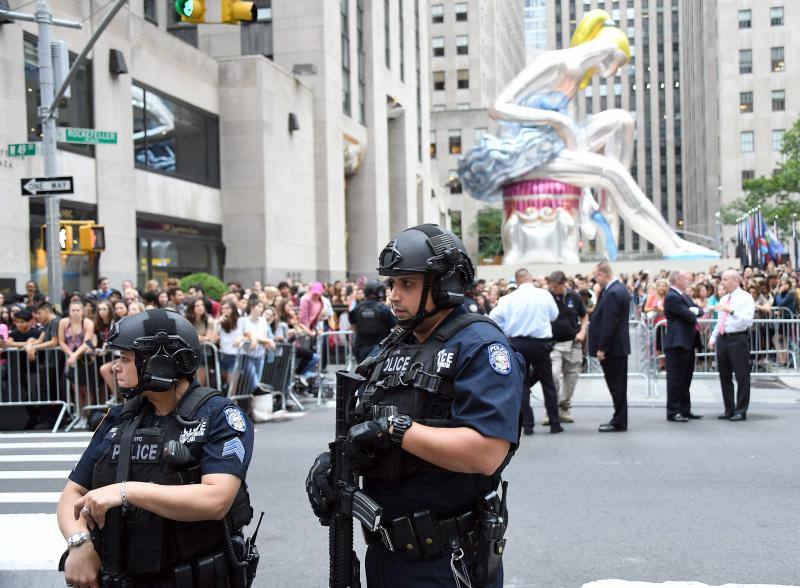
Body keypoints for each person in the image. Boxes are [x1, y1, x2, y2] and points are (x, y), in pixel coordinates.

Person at [306, 224, 524, 588]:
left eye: (407, 283)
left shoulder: (480, 346)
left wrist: (396, 430)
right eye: (392, 283)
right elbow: (365, 423)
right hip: (386, 553)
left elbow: (487, 452)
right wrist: (335, 462)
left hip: (446, 559)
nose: (394, 295)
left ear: (444, 285)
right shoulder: (394, 345)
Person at [57, 309, 256, 588]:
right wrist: (79, 543)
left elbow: (216, 500)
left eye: (126, 358)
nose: (115, 367)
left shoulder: (219, 415)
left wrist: (126, 491)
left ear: (161, 363)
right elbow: (73, 493)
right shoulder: (120, 417)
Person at [490, 268, 562, 435]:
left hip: (518, 343)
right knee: (548, 383)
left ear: (517, 281)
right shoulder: (544, 295)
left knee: (522, 385)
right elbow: (554, 315)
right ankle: (554, 423)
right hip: (540, 343)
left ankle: (527, 425)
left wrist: (506, 329)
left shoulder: (508, 298)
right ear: (530, 279)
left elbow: (494, 318)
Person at [588, 261, 630, 432]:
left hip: (613, 348)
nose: (595, 280)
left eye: (596, 276)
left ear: (603, 274)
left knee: (617, 386)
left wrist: (602, 348)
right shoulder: (615, 289)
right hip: (616, 347)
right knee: (617, 386)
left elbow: (609, 323)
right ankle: (619, 418)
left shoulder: (613, 292)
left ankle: (619, 420)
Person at [709, 270, 756, 421]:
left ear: (736, 280)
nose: (722, 282)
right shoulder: (724, 298)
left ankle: (741, 410)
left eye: (725, 279)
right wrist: (713, 337)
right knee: (724, 375)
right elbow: (720, 321)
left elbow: (747, 321)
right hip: (723, 338)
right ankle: (729, 409)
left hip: (738, 338)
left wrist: (732, 311)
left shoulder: (746, 297)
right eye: (722, 279)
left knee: (742, 376)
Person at [546, 270, 587, 424]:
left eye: (555, 286)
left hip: (573, 343)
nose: (552, 288)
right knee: (553, 375)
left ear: (563, 284)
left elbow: (584, 315)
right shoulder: (546, 296)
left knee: (572, 378)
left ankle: (564, 407)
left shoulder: (574, 296)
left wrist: (582, 331)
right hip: (553, 344)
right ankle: (551, 410)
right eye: (551, 285)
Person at [663, 270, 703, 422]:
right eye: (685, 278)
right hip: (677, 343)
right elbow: (688, 315)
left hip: (687, 342)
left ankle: (685, 409)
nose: (688, 280)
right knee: (676, 379)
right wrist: (693, 311)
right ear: (677, 280)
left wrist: (694, 310)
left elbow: (699, 310)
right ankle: (673, 411)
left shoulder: (683, 295)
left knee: (686, 378)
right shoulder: (672, 296)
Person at [349, 279, 397, 362]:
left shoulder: (357, 308)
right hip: (380, 348)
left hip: (361, 348)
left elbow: (353, 327)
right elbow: (396, 326)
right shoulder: (384, 309)